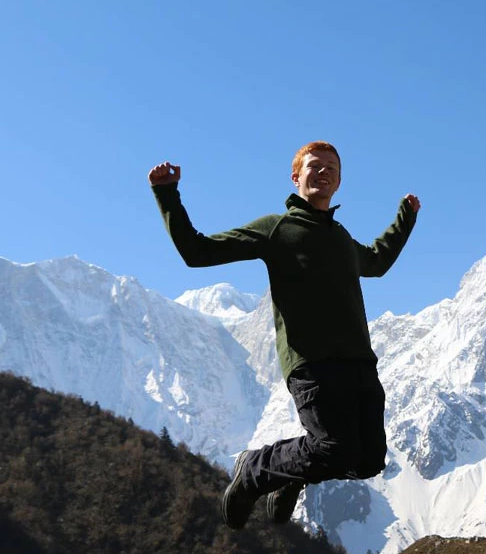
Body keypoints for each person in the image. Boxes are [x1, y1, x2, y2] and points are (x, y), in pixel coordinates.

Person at [148, 141, 421, 529]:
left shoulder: (341, 239)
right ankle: (254, 469)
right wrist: (167, 194)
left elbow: (376, 261)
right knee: (333, 448)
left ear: (339, 182)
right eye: (315, 165)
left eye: (332, 168)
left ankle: (290, 476)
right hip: (312, 363)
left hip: (360, 363)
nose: (324, 172)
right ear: (296, 177)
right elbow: (197, 252)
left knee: (369, 461)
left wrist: (405, 218)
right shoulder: (277, 229)